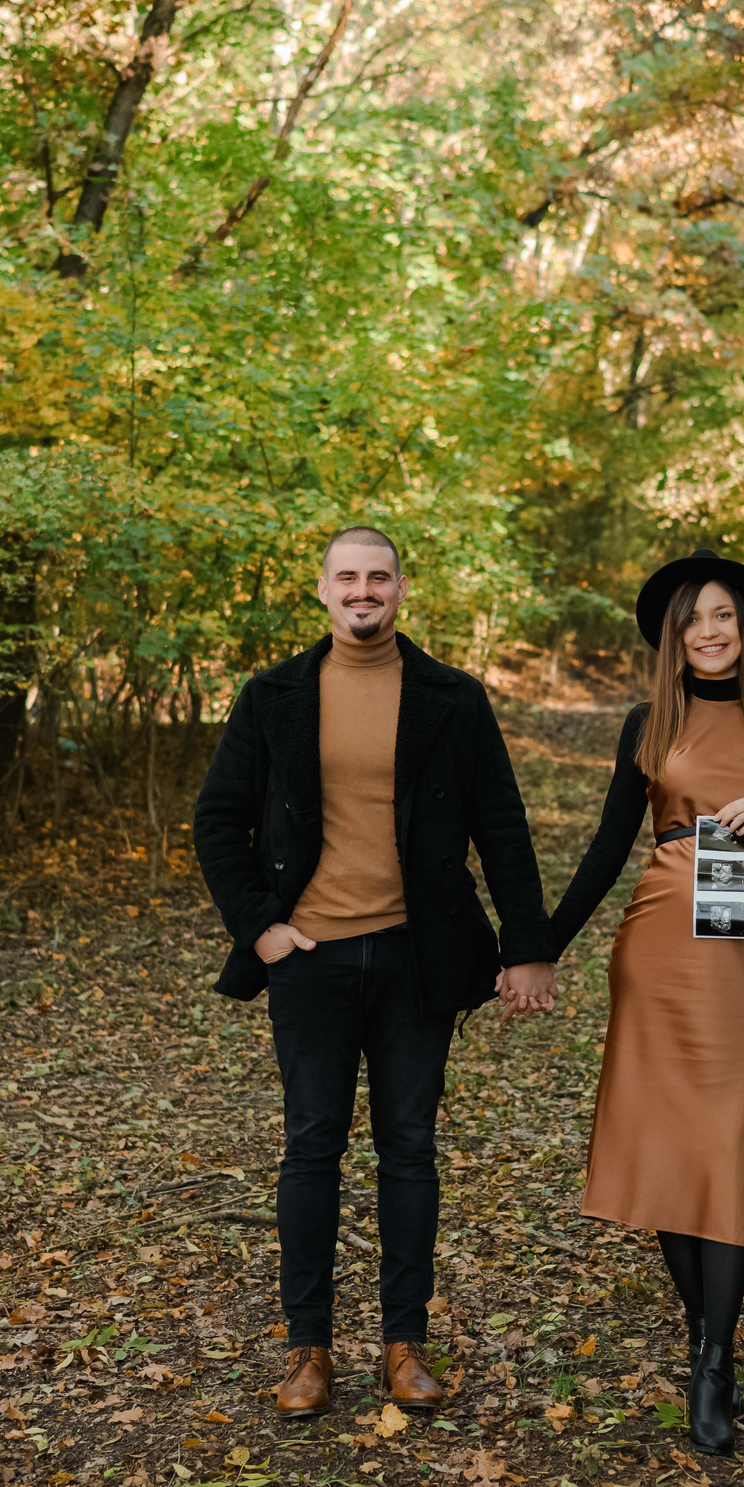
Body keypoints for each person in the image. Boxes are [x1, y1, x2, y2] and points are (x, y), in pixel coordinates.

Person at [193, 527, 560, 1418]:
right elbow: (216, 821)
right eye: (347, 577)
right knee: (312, 1147)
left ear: (402, 588)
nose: (364, 590)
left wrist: (528, 945)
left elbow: (501, 828)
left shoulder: (452, 698)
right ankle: (307, 1350)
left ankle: (404, 1344)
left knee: (410, 1151)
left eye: (379, 577)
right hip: (309, 962)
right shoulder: (274, 694)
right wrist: (264, 929)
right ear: (322, 590)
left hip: (414, 957)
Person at [546, 549, 744, 1455]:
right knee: (673, 1142)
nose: (709, 632)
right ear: (673, 639)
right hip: (661, 945)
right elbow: (608, 844)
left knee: (731, 1139)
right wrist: (538, 946)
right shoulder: (650, 720)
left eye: (723, 617)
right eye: (692, 620)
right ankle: (711, 1348)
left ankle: (713, 1351)